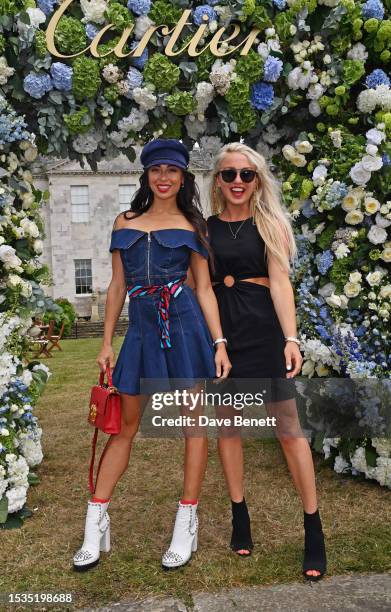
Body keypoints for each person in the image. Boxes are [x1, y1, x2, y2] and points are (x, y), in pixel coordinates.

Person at [72, 138, 231, 572]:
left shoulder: (192, 225)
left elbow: (203, 289)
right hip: (141, 330)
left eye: (172, 171)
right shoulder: (125, 221)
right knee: (124, 429)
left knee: (193, 428)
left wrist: (218, 343)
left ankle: (187, 522)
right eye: (156, 170)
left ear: (183, 177)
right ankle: (96, 521)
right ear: (147, 175)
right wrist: (107, 342)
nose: (164, 177)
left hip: (185, 326)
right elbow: (118, 287)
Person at [206, 142, 327, 581]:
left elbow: (280, 285)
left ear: (257, 180)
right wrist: (216, 340)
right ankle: (240, 515)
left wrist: (291, 338)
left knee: (288, 431)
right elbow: (201, 287)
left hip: (264, 328)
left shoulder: (270, 223)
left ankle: (313, 527)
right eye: (229, 174)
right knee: (230, 428)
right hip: (223, 333)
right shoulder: (205, 228)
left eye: (246, 174)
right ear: (217, 181)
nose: (238, 182)